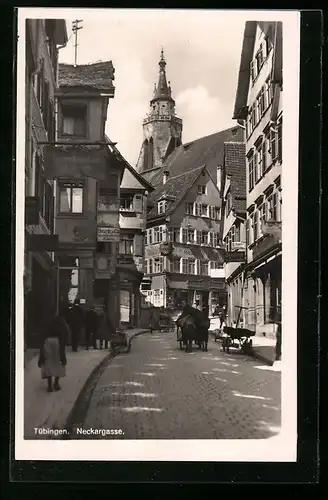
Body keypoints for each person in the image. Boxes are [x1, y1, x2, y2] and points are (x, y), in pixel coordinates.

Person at [38, 310, 69, 392]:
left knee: (48, 363)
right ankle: (56, 382)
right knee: (58, 362)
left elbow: (42, 334)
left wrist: (41, 353)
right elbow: (65, 332)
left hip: (47, 342)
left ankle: (49, 385)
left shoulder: (45, 322)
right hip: (57, 342)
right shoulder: (60, 321)